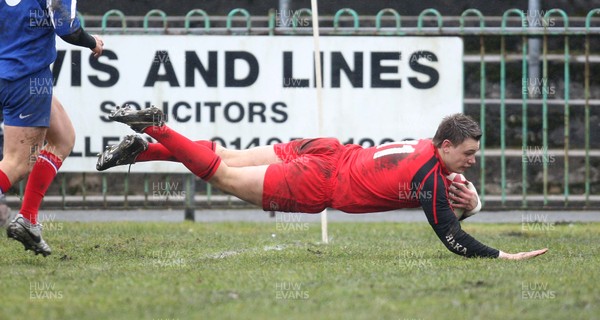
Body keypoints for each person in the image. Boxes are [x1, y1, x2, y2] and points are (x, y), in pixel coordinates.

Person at [98, 107, 548, 260]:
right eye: (467, 154)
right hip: (319, 181)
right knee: (223, 174)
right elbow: (451, 236)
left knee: (225, 154)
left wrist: (472, 201)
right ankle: (156, 128)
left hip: (327, 149)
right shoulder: (430, 177)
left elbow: (452, 205)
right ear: (446, 145)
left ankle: (142, 147)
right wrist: (504, 254)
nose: (471, 162)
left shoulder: (427, 151)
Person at [0, 0, 104, 256]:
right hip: (24, 76)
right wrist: (92, 42)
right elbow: (66, 28)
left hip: (12, 71)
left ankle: (28, 219)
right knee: (18, 162)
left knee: (63, 137)